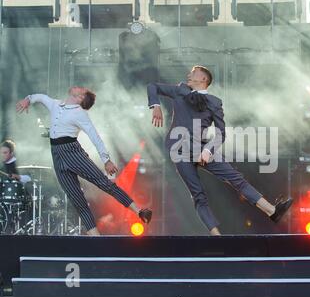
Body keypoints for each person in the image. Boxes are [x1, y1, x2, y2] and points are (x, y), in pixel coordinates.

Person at [147, 65, 293, 235]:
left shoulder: (215, 102)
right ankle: (217, 236)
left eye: (193, 73)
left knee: (236, 178)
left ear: (203, 79)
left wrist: (208, 150)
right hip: (178, 149)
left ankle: (272, 211)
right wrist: (155, 105)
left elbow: (220, 133)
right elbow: (152, 86)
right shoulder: (180, 90)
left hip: (202, 148)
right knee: (198, 194)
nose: (189, 75)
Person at [16, 87, 153, 236]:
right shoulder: (56, 104)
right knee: (77, 199)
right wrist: (28, 99)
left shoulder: (79, 113)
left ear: (80, 97)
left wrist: (106, 160)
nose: (78, 87)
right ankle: (96, 239)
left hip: (73, 152)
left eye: (81, 89)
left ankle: (140, 211)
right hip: (57, 155)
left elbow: (95, 137)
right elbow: (41, 97)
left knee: (105, 184)